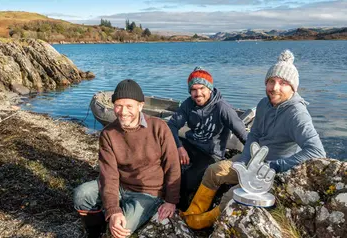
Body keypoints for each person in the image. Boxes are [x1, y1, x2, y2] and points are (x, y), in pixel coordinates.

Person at [181, 49, 326, 230]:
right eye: (271, 81)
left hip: (271, 172)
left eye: (283, 83)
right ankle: (192, 212)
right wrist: (244, 159)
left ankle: (203, 223)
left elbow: (317, 151)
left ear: (293, 87)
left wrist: (276, 166)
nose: (275, 88)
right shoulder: (264, 103)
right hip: (251, 161)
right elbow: (255, 134)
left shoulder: (297, 114)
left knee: (232, 196)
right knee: (214, 171)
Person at [73, 79, 181, 238]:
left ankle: (112, 227)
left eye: (129, 106)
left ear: (140, 106)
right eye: (118, 105)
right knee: (81, 195)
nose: (123, 111)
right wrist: (113, 210)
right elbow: (108, 174)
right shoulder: (108, 134)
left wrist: (171, 201)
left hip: (148, 193)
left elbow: (172, 166)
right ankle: (95, 231)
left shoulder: (159, 127)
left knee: (121, 232)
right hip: (119, 185)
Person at [167, 67, 248, 210]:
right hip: (191, 145)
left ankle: (182, 210)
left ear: (210, 89)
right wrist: (179, 147)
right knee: (164, 157)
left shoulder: (222, 108)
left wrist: (253, 157)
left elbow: (243, 134)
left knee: (187, 180)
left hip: (210, 154)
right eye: (193, 89)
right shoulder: (188, 104)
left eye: (202, 88)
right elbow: (172, 125)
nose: (198, 94)